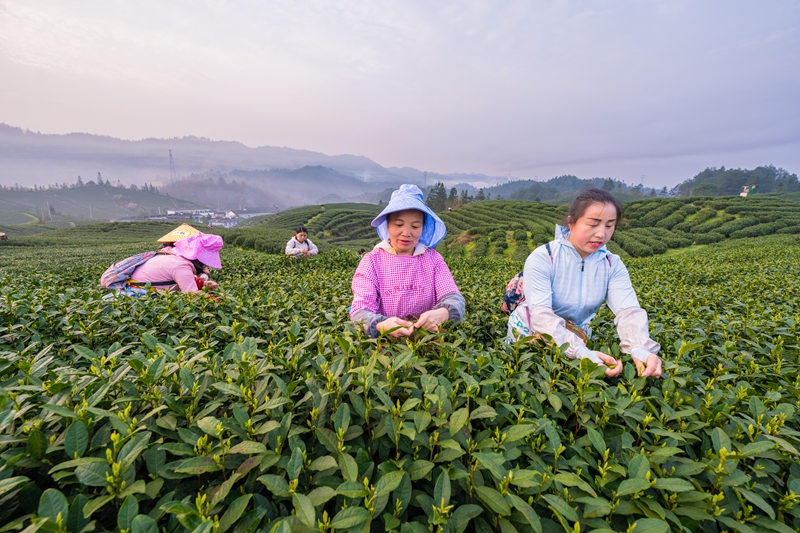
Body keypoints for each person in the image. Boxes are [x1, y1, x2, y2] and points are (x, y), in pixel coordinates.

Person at [507, 188, 662, 378]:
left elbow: (628, 310)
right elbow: (541, 315)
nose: (601, 234)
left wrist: (640, 348)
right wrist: (578, 351)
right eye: (593, 224)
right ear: (571, 223)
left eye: (609, 225)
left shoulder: (612, 264)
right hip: (531, 334)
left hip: (578, 337)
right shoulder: (544, 257)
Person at [350, 184, 465, 338]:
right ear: (387, 225)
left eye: (415, 226)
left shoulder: (433, 259)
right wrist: (381, 325)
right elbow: (359, 312)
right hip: (385, 347)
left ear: (423, 228)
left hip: (425, 343)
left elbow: (454, 298)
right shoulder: (372, 261)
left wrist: (443, 313)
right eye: (398, 224)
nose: (406, 233)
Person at [128, 233, 223, 293]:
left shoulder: (170, 252)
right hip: (139, 296)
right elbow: (192, 296)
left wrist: (203, 284)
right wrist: (219, 300)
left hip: (134, 288)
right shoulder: (181, 265)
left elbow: (178, 278)